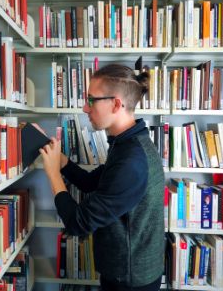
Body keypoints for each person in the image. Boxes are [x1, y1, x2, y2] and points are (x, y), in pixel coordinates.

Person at [39, 64, 165, 291]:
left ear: (116, 104)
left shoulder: (131, 160)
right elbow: (91, 182)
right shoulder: (128, 143)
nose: (85, 108)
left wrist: (52, 173)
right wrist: (62, 161)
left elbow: (78, 223)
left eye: (91, 100)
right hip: (130, 268)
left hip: (130, 279)